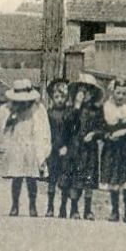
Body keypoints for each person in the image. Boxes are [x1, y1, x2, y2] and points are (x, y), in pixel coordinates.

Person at [0, 78, 52, 217]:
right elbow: (2, 127)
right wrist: (13, 116)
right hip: (16, 144)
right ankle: (15, 205)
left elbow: (43, 129)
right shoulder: (8, 108)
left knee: (31, 177)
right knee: (17, 176)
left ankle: (32, 205)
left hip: (31, 144)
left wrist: (42, 151)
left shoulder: (38, 109)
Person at [98, 79, 126, 222]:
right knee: (114, 178)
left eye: (124, 93)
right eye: (118, 93)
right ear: (113, 92)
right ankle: (115, 211)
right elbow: (100, 128)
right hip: (112, 148)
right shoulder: (106, 108)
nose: (121, 96)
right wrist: (108, 136)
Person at [66, 79, 103, 220]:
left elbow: (102, 128)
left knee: (89, 178)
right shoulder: (73, 109)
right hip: (76, 147)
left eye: (88, 90)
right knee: (76, 177)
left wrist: (94, 134)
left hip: (91, 148)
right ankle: (74, 209)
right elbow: (68, 124)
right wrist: (76, 105)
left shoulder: (97, 110)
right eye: (82, 90)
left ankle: (88, 210)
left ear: (93, 92)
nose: (85, 93)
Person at [43, 79, 72, 218]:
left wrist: (67, 146)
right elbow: (46, 132)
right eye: (56, 97)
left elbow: (71, 133)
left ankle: (63, 207)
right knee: (52, 179)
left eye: (62, 97)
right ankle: (50, 207)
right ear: (52, 98)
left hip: (65, 150)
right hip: (53, 149)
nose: (60, 100)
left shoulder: (69, 114)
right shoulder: (48, 114)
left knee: (64, 179)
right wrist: (51, 148)